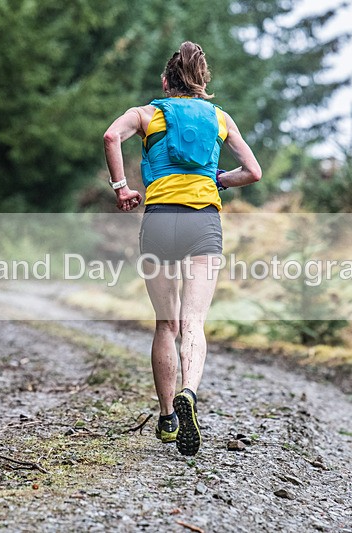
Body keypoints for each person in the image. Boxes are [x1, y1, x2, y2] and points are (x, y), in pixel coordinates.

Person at [103, 41, 262, 456]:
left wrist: (122, 189)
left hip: (159, 222)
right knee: (193, 323)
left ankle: (167, 416)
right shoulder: (220, 117)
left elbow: (110, 136)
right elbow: (254, 172)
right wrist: (218, 180)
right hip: (203, 223)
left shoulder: (147, 114)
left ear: (165, 81)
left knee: (165, 325)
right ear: (202, 82)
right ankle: (189, 392)